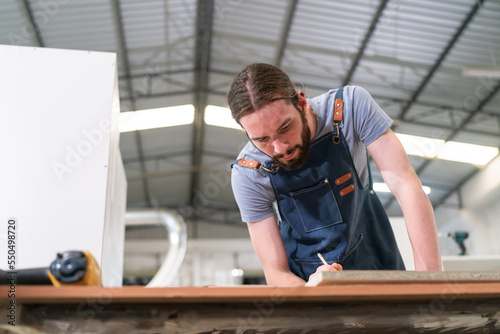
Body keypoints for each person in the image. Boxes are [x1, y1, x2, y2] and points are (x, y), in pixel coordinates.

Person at [228, 63, 442, 286]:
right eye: (262, 139)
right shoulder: (248, 172)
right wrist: (311, 291)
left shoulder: (349, 107)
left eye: (285, 128)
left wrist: (429, 279)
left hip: (378, 265)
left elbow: (405, 184)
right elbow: (275, 272)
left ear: (301, 103)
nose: (279, 148)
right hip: (305, 287)